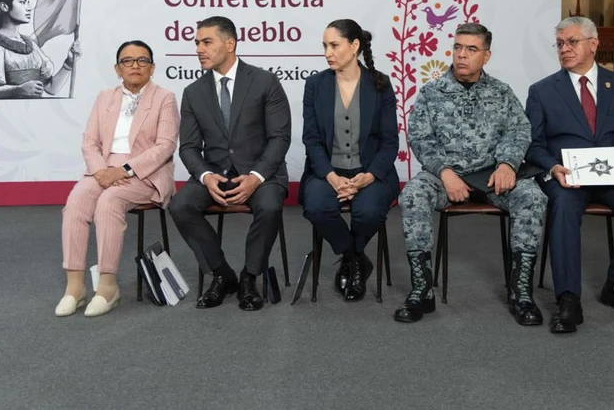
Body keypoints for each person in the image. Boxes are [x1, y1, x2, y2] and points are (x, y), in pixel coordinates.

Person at [395, 22, 548, 325]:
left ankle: (521, 292)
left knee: (532, 196)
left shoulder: (501, 93)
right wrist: (445, 173)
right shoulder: (432, 92)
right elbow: (420, 138)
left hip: (492, 177)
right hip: (444, 176)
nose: (462, 55)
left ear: (486, 56)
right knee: (412, 195)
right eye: (458, 48)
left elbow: (519, 131)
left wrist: (507, 163)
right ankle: (422, 289)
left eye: (471, 49)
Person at [525, 16, 614, 334]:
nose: (564, 49)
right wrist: (552, 167)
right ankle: (568, 298)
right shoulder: (542, 91)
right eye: (560, 44)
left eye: (572, 42)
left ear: (594, 44)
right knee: (563, 208)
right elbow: (532, 144)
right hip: (567, 177)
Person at [169, 16, 292, 312]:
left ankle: (250, 276)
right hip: (215, 173)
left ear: (230, 43)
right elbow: (187, 147)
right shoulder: (193, 92)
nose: (199, 48)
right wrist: (205, 176)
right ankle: (222, 274)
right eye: (197, 42)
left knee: (270, 206)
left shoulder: (265, 81)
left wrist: (257, 176)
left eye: (206, 42)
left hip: (262, 172)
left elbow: (280, 137)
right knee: (180, 206)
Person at [56, 41, 179, 317]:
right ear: (117, 69)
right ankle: (74, 288)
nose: (135, 65)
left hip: (145, 173)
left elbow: (165, 147)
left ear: (152, 67)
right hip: (102, 169)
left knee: (109, 201)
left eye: (142, 60)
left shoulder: (165, 98)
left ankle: (108, 287)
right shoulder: (105, 97)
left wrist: (123, 170)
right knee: (76, 201)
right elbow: (89, 142)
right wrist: (101, 171)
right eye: (128, 61)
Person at [299, 19, 399, 301]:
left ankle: (351, 260)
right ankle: (354, 258)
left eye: (334, 45)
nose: (328, 52)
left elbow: (390, 141)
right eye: (325, 46)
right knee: (317, 207)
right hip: (327, 171)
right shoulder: (315, 85)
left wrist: (369, 176)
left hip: (370, 172)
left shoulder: (380, 84)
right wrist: (330, 176)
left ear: (354, 46)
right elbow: (312, 140)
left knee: (368, 212)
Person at [0, 0, 80, 98]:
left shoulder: (31, 45)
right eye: (22, 2)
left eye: (28, 3)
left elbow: (51, 88)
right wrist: (17, 90)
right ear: (4, 7)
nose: (28, 8)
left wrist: (69, 63)